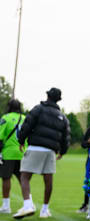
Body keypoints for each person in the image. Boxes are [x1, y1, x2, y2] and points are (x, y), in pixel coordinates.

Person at [14, 87, 70, 219]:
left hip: (35, 147)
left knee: (24, 176)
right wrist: (63, 151)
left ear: (48, 96)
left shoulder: (38, 109)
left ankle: (28, 205)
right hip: (51, 151)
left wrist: (21, 140)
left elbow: (27, 125)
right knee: (48, 180)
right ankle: (45, 210)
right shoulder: (63, 116)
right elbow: (66, 136)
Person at [0, 99, 27, 214]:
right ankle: (28, 204)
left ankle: (6, 206)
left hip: (8, 153)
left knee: (6, 178)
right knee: (23, 179)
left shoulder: (5, 118)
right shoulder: (25, 118)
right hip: (22, 152)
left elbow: (0, 136)